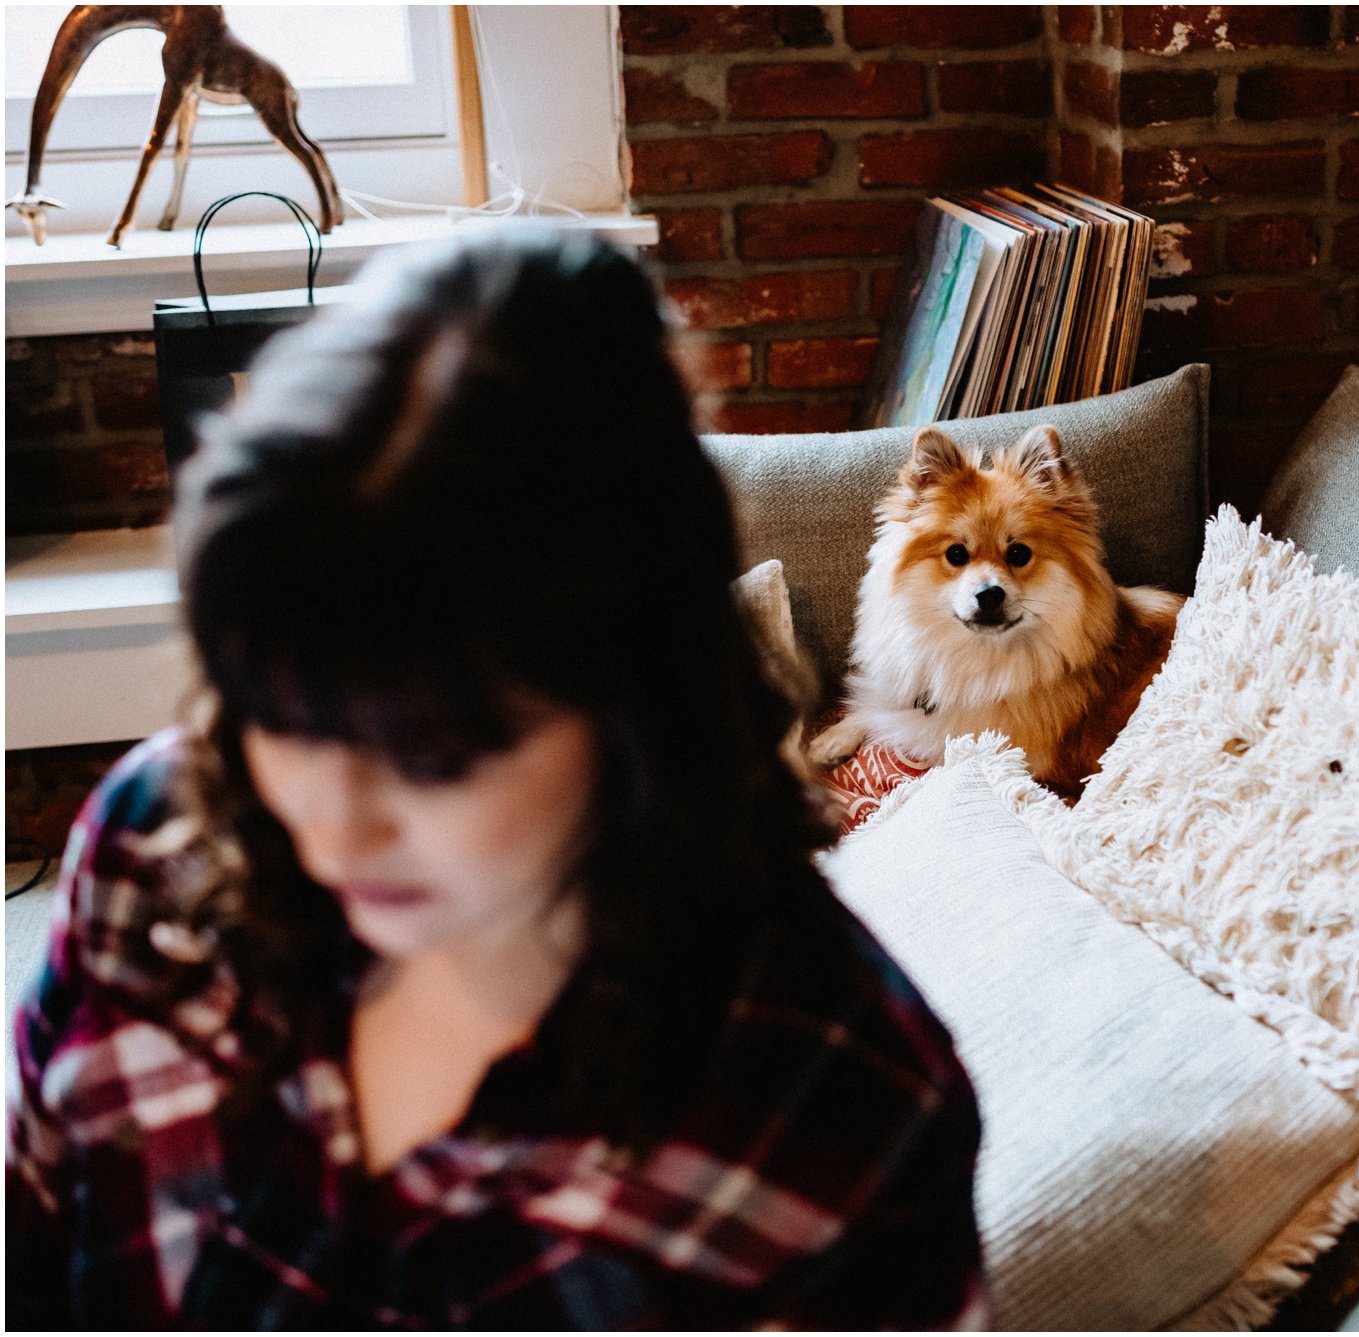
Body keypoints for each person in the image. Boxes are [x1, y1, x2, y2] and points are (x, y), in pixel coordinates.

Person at [5, 229, 988, 1329]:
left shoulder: (832, 1118)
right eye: (280, 716)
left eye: (432, 761)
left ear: (635, 691)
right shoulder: (152, 840)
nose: (332, 835)